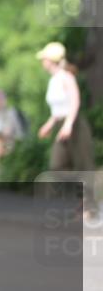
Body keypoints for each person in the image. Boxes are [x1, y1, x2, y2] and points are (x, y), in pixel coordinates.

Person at [36, 42, 98, 219]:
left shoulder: (66, 77)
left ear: (52, 60)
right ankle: (83, 197)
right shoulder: (53, 80)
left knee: (84, 164)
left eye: (45, 58)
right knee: (56, 166)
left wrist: (69, 124)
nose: (42, 61)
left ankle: (90, 206)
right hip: (61, 124)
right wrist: (49, 124)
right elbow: (57, 108)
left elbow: (75, 101)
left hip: (75, 124)